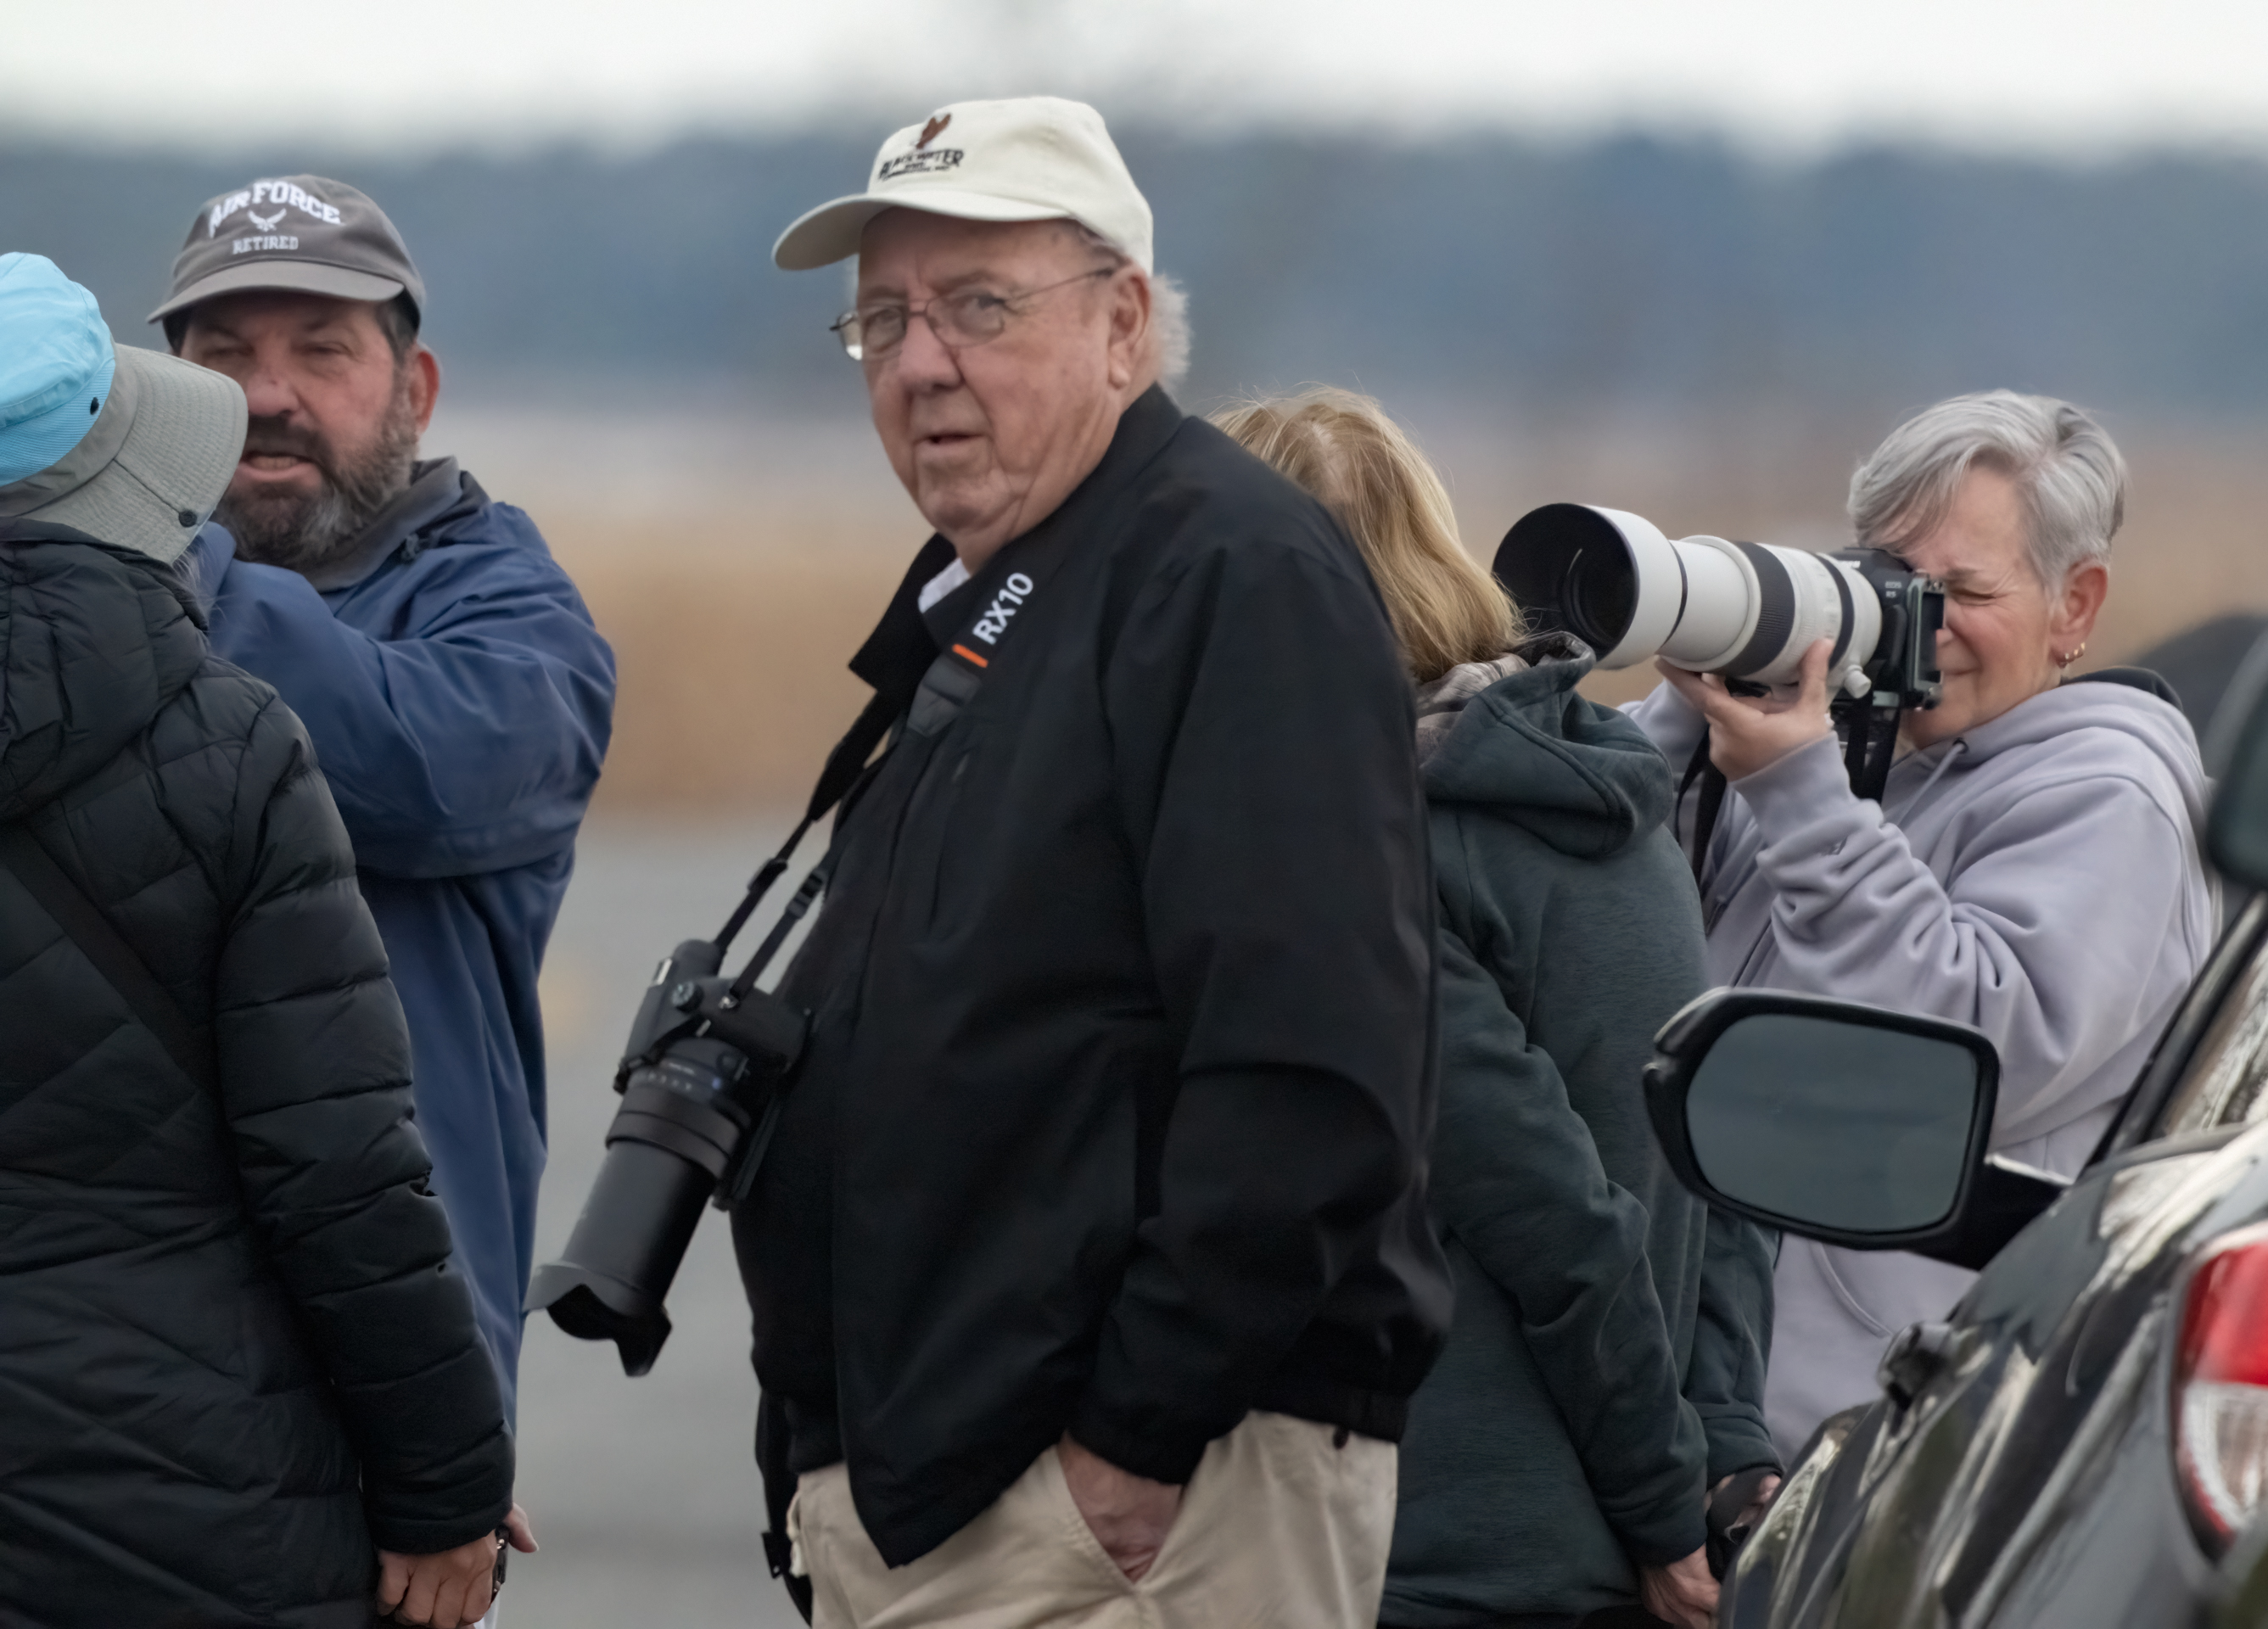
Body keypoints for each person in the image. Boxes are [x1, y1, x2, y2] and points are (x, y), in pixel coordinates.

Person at [729, 98, 1448, 1626]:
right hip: (965, 1495)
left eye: (981, 308)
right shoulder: (1005, 601)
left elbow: (1314, 1066)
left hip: (1135, 1518)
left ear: (1125, 326)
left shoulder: (1228, 573)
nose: (923, 364)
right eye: (884, 323)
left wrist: (1130, 1441)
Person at [0, 251, 532, 1628]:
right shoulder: (228, 745)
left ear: (412, 382)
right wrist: (446, 1482)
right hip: (189, 1509)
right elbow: (339, 1169)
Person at [1216, 389, 1781, 1629]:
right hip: (1589, 1538)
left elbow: (1554, 1217)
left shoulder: (1386, 848)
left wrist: (1657, 1504)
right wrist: (1709, 1460)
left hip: (1459, 1558)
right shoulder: (1596, 787)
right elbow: (1724, 1178)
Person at [1625, 390, 2216, 1458]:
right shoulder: (1835, 748)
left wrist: (1805, 802)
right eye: (1892, 582)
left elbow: (1970, 1036)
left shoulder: (2110, 799)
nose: (1919, 626)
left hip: (1874, 1442)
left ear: (2075, 605)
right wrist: (1691, 708)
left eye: (1966, 592)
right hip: (1680, 1420)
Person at [149, 176, 619, 1408]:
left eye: (322, 350)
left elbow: (403, 769)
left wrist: (150, 550)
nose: (265, 396)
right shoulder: (103, 607)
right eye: (222, 356)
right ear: (161, 395)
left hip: (385, 1393)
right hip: (109, 1378)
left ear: (415, 391)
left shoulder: (512, 616)